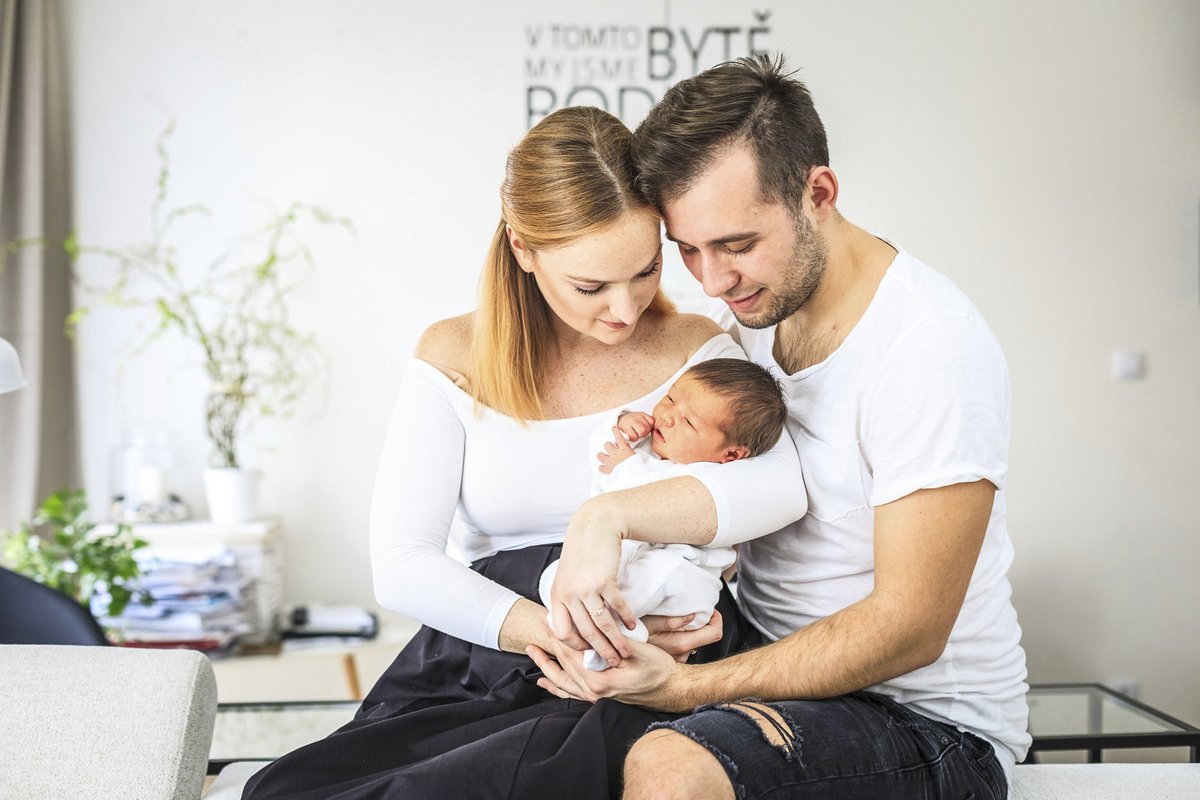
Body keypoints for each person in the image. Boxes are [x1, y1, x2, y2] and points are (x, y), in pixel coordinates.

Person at [242, 105, 806, 799]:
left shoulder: (700, 354)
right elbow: (401, 564)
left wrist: (605, 523)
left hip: (643, 658)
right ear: (523, 250)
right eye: (590, 287)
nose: (625, 311)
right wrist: (558, 631)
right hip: (493, 647)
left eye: (643, 270)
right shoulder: (453, 356)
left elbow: (780, 488)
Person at [530, 54, 1030, 800]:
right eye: (687, 250)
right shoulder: (755, 318)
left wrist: (679, 689)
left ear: (818, 193)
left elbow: (909, 628)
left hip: (928, 722)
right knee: (527, 736)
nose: (712, 280)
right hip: (767, 663)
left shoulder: (930, 349)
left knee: (670, 771)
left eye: (734, 244)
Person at [538, 358, 787, 670]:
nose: (667, 417)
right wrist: (623, 423)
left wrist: (626, 465)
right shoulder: (646, 444)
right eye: (670, 398)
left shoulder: (707, 475)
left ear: (732, 454)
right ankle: (603, 630)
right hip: (621, 560)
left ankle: (609, 642)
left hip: (681, 582)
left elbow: (642, 493)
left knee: (657, 578)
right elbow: (602, 456)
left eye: (689, 422)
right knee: (552, 578)